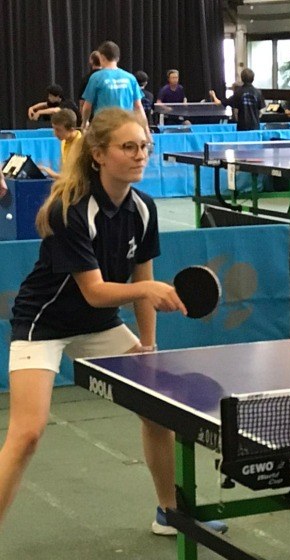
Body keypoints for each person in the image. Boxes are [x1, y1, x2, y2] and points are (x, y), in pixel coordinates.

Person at [0, 107, 227, 536]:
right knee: (27, 433)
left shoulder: (143, 208)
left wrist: (149, 345)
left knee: (158, 411)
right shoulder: (71, 209)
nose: (140, 155)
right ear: (100, 155)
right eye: (128, 147)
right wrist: (147, 291)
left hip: (100, 325)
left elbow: (142, 277)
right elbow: (97, 290)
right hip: (43, 323)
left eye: (144, 146)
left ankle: (168, 511)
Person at [81, 41, 151, 142]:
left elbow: (87, 106)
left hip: (104, 128)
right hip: (126, 127)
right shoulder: (130, 78)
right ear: (117, 58)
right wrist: (146, 132)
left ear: (102, 57)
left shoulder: (96, 78)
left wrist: (84, 123)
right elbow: (139, 107)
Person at [39, 109, 82, 179]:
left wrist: (50, 172)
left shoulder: (81, 146)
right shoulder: (63, 141)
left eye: (58, 130)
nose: (54, 133)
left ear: (71, 129)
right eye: (54, 129)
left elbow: (76, 178)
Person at [78, 50, 102, 115]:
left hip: (91, 115)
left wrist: (84, 120)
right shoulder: (108, 78)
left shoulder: (86, 79)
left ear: (91, 61)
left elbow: (82, 102)